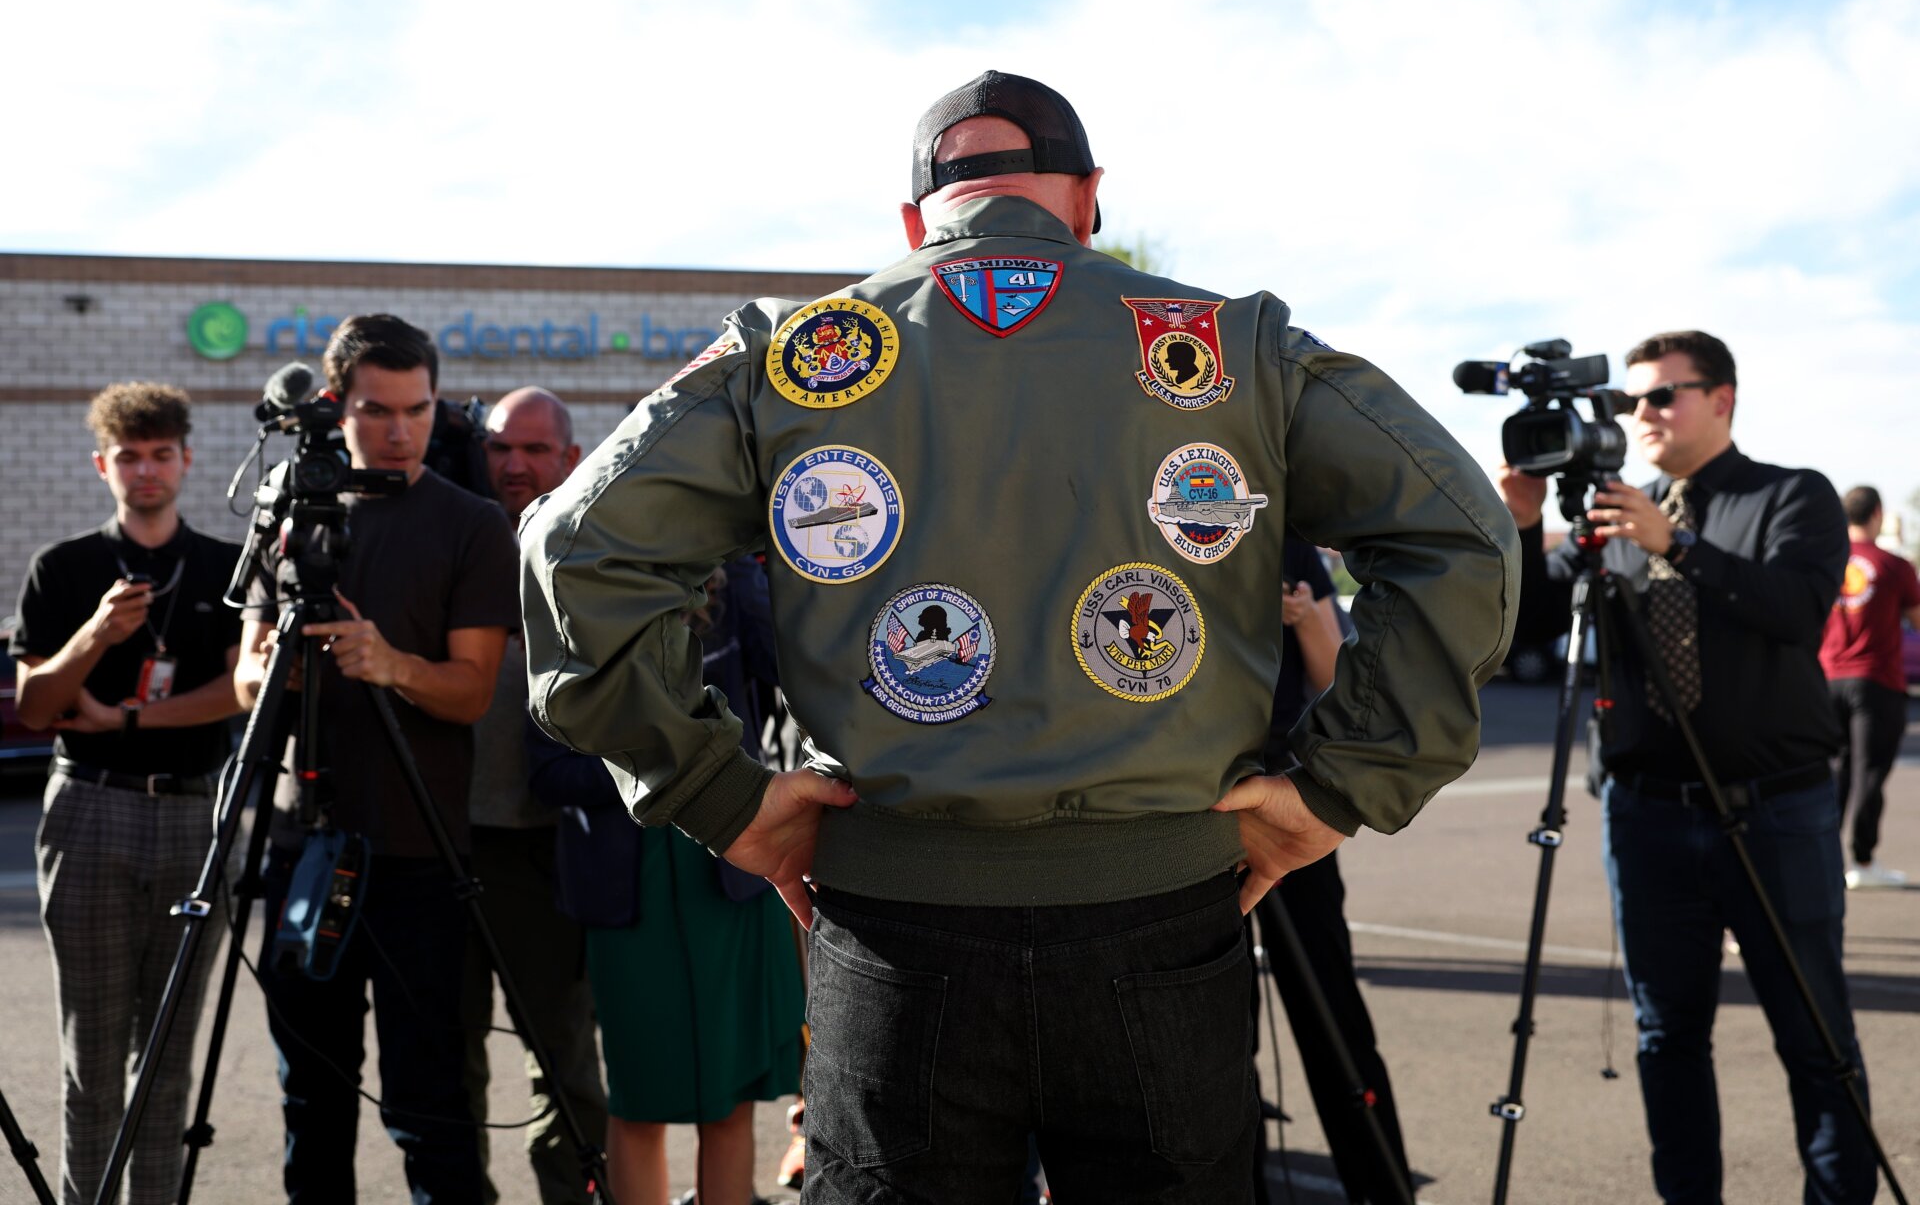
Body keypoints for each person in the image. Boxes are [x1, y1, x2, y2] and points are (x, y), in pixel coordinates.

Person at [521, 69, 1517, 1203]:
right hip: (1164, 918)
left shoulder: (794, 352)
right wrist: (1345, 783)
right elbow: (1466, 535)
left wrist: (719, 795)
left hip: (896, 928)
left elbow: (576, 549)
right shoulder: (1232, 346)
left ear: (913, 222)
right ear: (1087, 197)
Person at [1500, 330, 1870, 1203]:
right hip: (1648, 817)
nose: (1643, 416)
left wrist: (1675, 544)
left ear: (1722, 399)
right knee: (1666, 1039)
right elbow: (1526, 624)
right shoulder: (1613, 512)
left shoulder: (1791, 496)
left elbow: (1797, 610)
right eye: (1632, 401)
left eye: (1664, 396)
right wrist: (1519, 525)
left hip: (1777, 811)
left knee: (1816, 1040)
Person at [235, 314, 520, 1203]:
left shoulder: (472, 524)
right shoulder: (282, 510)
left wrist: (389, 663)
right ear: (335, 405)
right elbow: (243, 680)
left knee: (429, 1105)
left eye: (418, 409)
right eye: (376, 411)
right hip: (299, 845)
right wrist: (281, 662)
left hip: (418, 859)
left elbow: (471, 692)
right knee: (309, 1098)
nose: (399, 431)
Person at [10, 382, 242, 1205]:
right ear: (103, 464)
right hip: (90, 808)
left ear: (185, 459)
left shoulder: (222, 566)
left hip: (191, 809)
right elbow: (37, 706)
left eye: (161, 455)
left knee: (170, 1059)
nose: (146, 471)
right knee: (94, 1058)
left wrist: (131, 716)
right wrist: (93, 636)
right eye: (130, 457)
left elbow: (241, 689)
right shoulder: (63, 568)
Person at [529, 558, 800, 1205]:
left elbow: (793, 669)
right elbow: (546, 772)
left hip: (731, 876)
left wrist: (750, 561)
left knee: (732, 1100)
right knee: (639, 1100)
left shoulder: (731, 593)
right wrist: (658, 766)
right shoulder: (571, 610)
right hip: (632, 893)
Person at [459, 386, 610, 1204]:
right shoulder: (454, 538)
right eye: (499, 448)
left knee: (564, 1064)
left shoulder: (589, 551)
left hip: (548, 848)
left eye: (535, 450)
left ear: (570, 457)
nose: (515, 465)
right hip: (449, 840)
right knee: (450, 1063)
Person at [1254, 536, 1412, 1204]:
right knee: (1207, 1035)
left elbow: (1333, 686)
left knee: (1332, 1017)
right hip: (1178, 809)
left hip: (1281, 805)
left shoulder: (1285, 540)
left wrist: (1309, 620)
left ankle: (1382, 1186)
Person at [1821, 484, 1919, 890]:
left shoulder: (1825, 561)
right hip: (1876, 681)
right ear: (1877, 514)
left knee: (1832, 773)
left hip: (1826, 679)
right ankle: (1860, 859)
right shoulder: (1895, 566)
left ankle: (1822, 859)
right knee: (1869, 773)